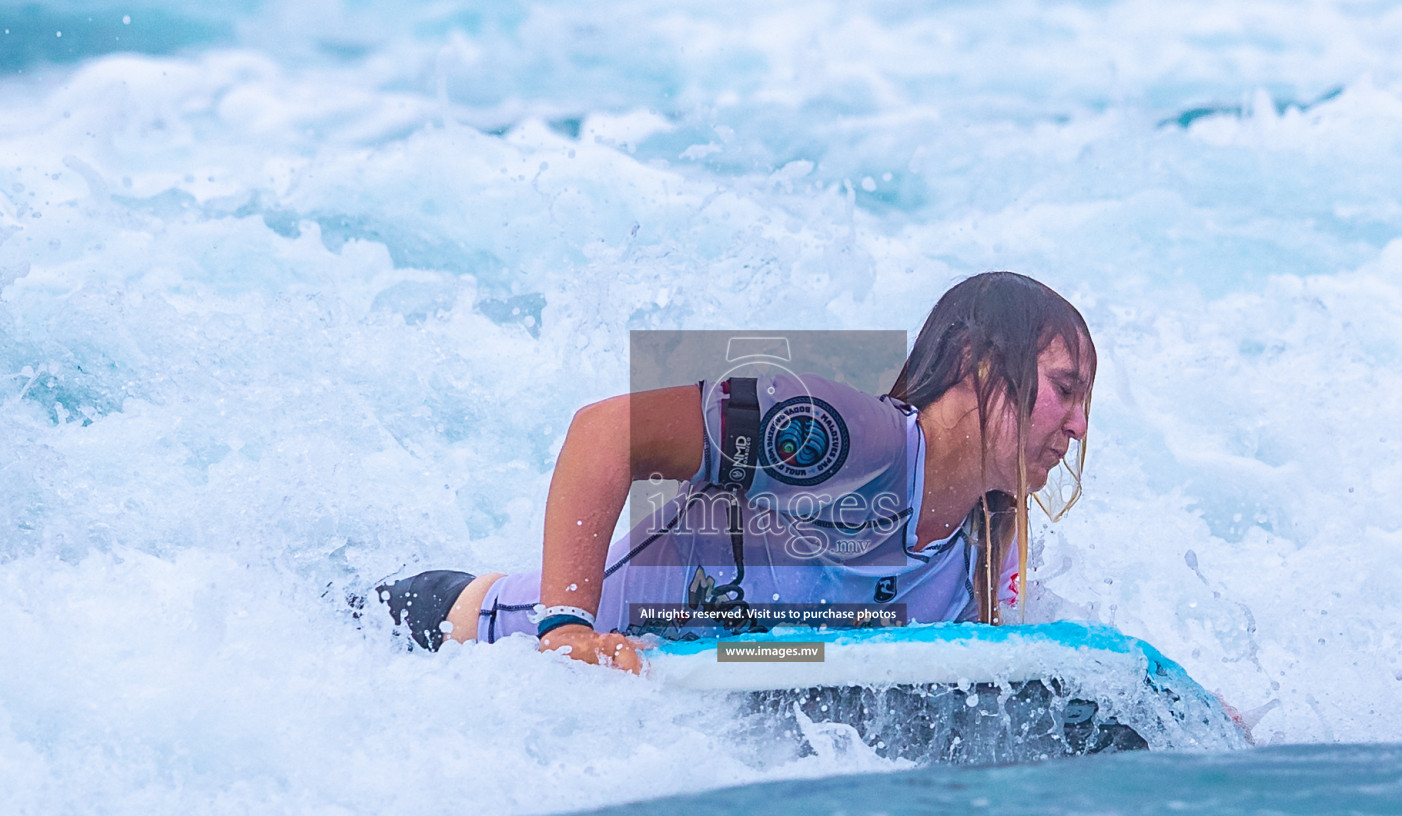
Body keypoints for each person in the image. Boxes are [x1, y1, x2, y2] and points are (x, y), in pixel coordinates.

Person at [376, 272, 1095, 673]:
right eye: (1064, 390)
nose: (1078, 426)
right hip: (449, 645)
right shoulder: (843, 439)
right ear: (977, 362)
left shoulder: (990, 538)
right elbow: (604, 432)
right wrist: (567, 628)